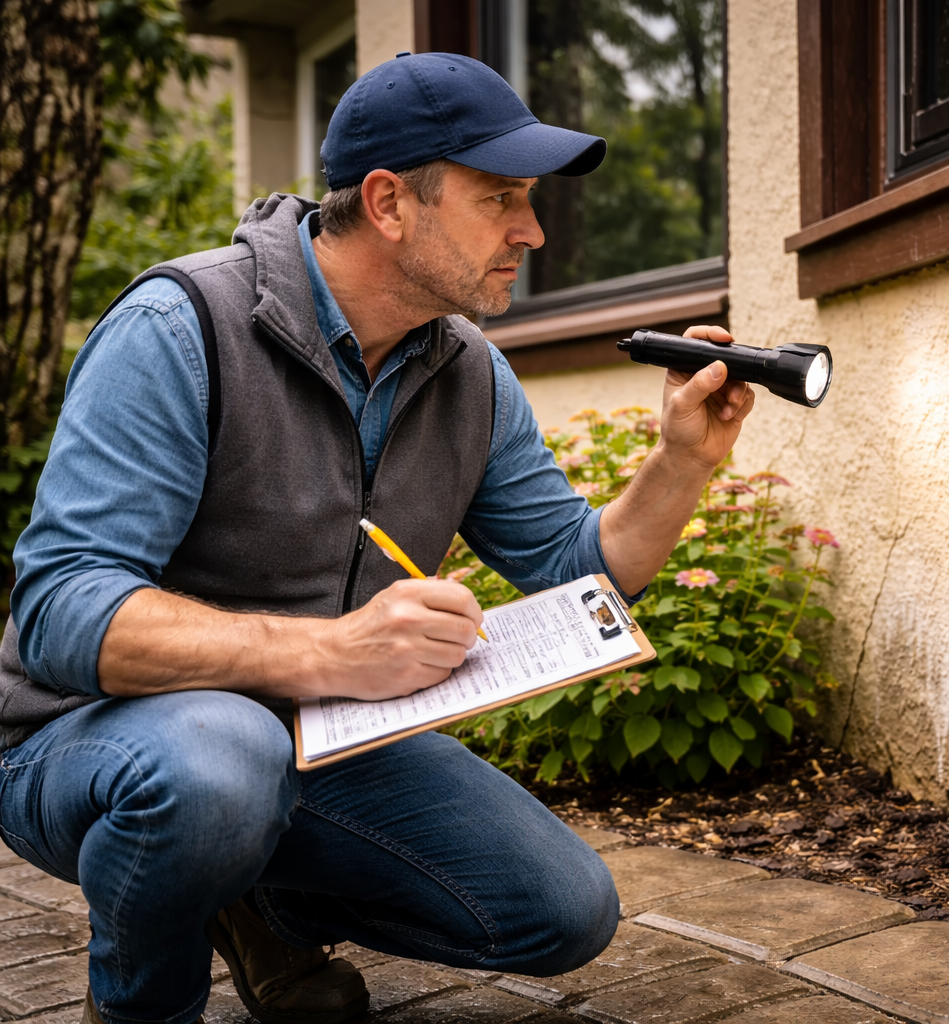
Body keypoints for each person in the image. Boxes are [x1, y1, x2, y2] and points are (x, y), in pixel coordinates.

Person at [0, 52, 754, 1024]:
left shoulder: (468, 373)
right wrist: (337, 650)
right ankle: (146, 996)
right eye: (502, 199)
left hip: (312, 735)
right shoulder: (179, 329)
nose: (532, 231)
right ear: (390, 201)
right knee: (217, 765)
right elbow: (61, 610)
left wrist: (683, 458)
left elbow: (579, 571)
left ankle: (247, 899)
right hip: (83, 738)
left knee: (562, 909)